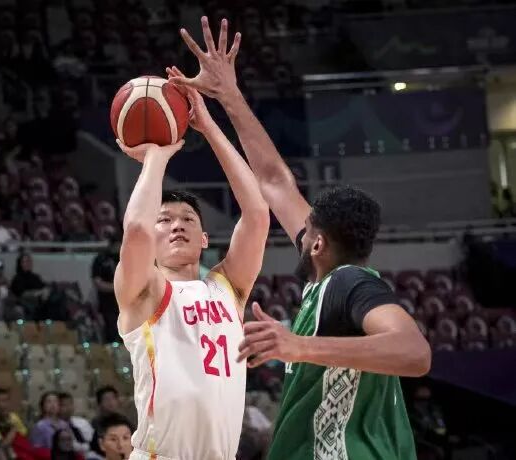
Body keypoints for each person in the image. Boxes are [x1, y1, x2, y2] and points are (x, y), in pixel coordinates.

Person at [172, 16, 432, 460]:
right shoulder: (330, 281)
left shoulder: (349, 283)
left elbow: (415, 352)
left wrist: (299, 345)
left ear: (318, 244)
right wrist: (227, 96)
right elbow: (275, 181)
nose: (297, 228)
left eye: (306, 228)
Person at [114, 55, 270, 458]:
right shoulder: (144, 290)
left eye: (187, 219)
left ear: (203, 239)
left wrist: (208, 126)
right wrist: (157, 157)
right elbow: (136, 230)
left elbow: (257, 213)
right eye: (165, 220)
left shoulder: (226, 288)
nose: (177, 225)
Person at [0, 388, 49, 460]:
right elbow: (2, 445)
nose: (2, 405)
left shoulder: (13, 416)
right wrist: (13, 429)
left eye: (5, 401)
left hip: (28, 449)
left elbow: (24, 433)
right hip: (15, 454)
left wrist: (24, 416)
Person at [91, 235, 120, 343]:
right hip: (108, 303)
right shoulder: (100, 260)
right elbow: (98, 283)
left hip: (126, 304)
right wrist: (116, 288)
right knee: (111, 331)